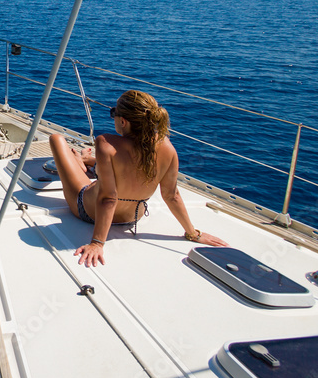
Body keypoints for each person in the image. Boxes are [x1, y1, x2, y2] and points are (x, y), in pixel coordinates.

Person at [49, 89, 227, 267]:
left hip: (88, 211)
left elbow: (109, 198)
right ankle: (87, 161)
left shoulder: (106, 143)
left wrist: (97, 242)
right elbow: (172, 195)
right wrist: (193, 233)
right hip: (132, 217)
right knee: (111, 171)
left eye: (114, 114)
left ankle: (81, 161)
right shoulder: (167, 146)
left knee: (56, 139)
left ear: (123, 121)